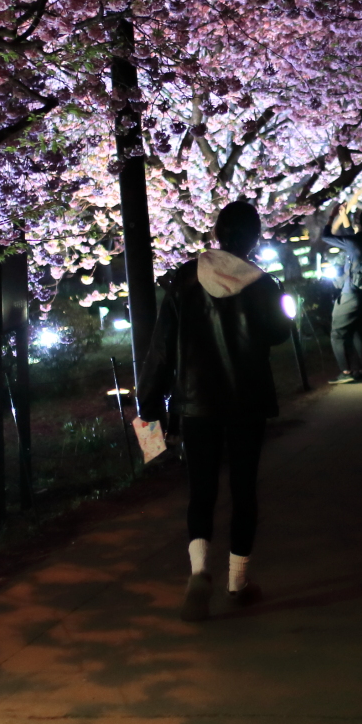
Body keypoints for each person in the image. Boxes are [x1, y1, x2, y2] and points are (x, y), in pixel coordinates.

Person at [138, 199, 291, 622]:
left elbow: (161, 349)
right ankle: (238, 583)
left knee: (201, 489)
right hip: (247, 402)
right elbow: (280, 334)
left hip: (196, 402)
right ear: (254, 238)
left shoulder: (185, 280)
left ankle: (200, 571)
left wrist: (149, 409)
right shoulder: (263, 284)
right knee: (244, 490)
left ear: (218, 233)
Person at [321, 209, 362, 383]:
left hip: (350, 293)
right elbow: (354, 239)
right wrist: (345, 218)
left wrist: (332, 217)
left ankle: (346, 372)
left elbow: (326, 236)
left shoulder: (353, 241)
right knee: (358, 331)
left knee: (337, 333)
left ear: (359, 224)